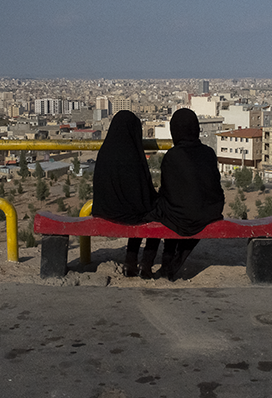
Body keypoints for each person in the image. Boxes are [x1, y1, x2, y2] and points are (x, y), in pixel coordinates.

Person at [153, 107, 225, 281]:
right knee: (188, 213)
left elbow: (168, 192)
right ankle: (178, 257)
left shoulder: (172, 156)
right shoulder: (208, 153)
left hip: (180, 216)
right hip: (209, 212)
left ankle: (169, 260)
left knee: (169, 211)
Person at [91, 110, 160, 278]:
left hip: (104, 211)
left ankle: (130, 262)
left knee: (138, 210)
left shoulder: (105, 152)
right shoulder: (133, 154)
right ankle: (145, 263)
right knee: (154, 213)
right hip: (128, 214)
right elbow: (141, 193)